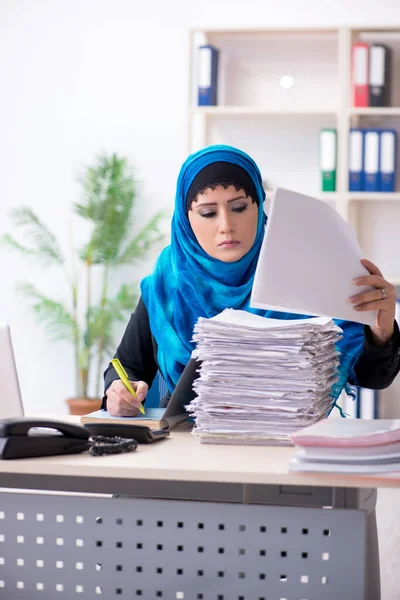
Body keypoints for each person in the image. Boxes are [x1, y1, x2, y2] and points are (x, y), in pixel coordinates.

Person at [103, 144, 400, 416]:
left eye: (239, 208)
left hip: (286, 448)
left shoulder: (305, 268)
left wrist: (380, 331)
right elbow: (125, 367)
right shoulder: (168, 283)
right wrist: (119, 392)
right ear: (185, 218)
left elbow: (373, 377)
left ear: (259, 206)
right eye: (208, 213)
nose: (226, 226)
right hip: (188, 447)